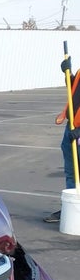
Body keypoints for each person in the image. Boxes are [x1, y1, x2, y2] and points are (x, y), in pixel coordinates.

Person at [49, 56, 80, 222]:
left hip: (79, 130)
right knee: (71, 173)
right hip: (71, 129)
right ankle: (71, 209)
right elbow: (73, 91)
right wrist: (68, 75)